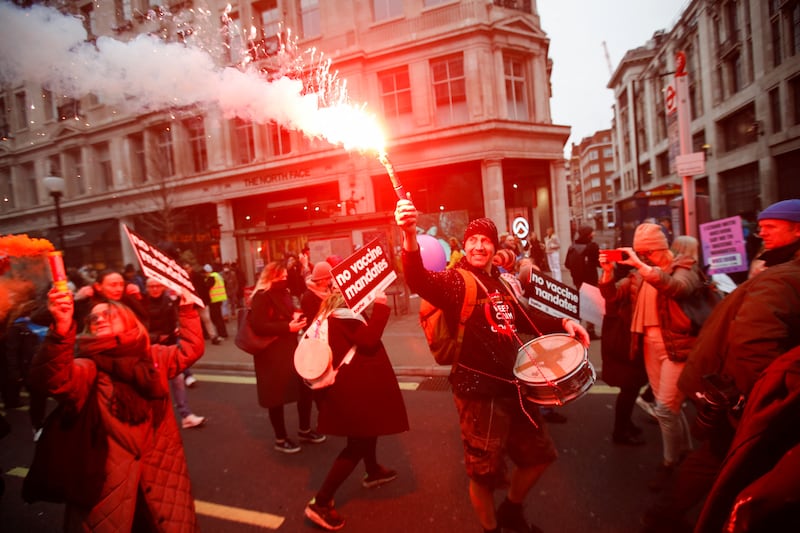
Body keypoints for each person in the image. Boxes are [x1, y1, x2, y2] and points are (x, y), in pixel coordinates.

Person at [395, 198, 589, 533]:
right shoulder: (456, 282)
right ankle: (492, 530)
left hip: (515, 389)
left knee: (540, 456)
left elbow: (526, 317)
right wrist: (410, 234)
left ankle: (512, 510)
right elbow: (418, 279)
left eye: (486, 240)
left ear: (494, 247)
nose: (479, 245)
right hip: (478, 396)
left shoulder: (502, 283)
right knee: (483, 476)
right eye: (473, 240)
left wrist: (563, 323)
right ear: (465, 246)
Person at [641, 199, 800, 532]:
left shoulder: (683, 268)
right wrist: (761, 400)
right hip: (738, 392)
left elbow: (679, 288)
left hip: (684, 353)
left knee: (675, 417)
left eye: (770, 228)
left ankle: (673, 498)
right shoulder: (782, 277)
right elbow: (754, 344)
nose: (761, 234)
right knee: (711, 450)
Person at [31, 284, 204, 531]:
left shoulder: (154, 358)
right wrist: (60, 329)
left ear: (129, 322)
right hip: (108, 493)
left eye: (108, 314)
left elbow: (190, 349)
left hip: (162, 479)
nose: (99, 319)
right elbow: (52, 379)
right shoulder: (87, 367)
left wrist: (187, 309)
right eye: (94, 318)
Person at [599, 224, 702, 492]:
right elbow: (611, 297)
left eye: (648, 252)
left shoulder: (683, 268)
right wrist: (607, 274)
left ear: (661, 247)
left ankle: (669, 464)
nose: (644, 258)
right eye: (640, 253)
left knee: (665, 409)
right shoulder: (637, 276)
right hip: (648, 346)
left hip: (676, 346)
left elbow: (678, 289)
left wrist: (642, 267)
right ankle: (687, 452)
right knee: (670, 405)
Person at [304, 289, 409, 530]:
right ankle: (320, 503)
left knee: (367, 430)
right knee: (358, 443)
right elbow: (369, 340)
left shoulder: (328, 315)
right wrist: (381, 306)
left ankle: (372, 471)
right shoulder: (344, 316)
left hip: (349, 388)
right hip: (351, 390)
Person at [250, 261, 326, 453]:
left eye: (285, 275)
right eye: (280, 275)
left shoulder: (285, 293)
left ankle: (304, 429)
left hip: (290, 348)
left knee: (304, 389)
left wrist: (294, 319)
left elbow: (284, 314)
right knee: (276, 397)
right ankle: (280, 438)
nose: (285, 278)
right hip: (271, 353)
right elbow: (258, 325)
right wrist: (287, 327)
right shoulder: (261, 296)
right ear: (270, 276)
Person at [143, 278, 205, 429]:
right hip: (151, 352)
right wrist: (157, 337)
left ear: (163, 287)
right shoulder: (141, 303)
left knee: (178, 381)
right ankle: (155, 420)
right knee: (154, 386)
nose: (155, 289)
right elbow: (139, 329)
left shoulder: (169, 300)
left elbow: (175, 318)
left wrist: (177, 328)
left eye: (157, 286)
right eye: (151, 286)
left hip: (170, 347)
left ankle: (186, 415)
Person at [567, 226, 600, 338]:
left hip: (578, 280)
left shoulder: (572, 247)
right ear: (588, 234)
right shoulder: (592, 246)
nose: (594, 234)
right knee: (591, 305)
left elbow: (567, 264)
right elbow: (598, 262)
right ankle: (590, 330)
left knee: (580, 303)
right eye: (592, 232)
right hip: (591, 279)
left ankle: (576, 327)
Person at [183, 262, 221, 345]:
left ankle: (213, 336)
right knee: (201, 320)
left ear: (191, 268)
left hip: (199, 301)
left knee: (206, 319)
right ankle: (207, 336)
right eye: (185, 269)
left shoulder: (196, 277)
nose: (187, 270)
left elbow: (203, 289)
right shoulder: (189, 277)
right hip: (193, 302)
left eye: (187, 268)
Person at [204, 264, 228, 339]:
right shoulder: (217, 275)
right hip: (220, 298)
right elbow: (225, 283)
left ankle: (221, 333)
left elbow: (207, 287)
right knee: (219, 317)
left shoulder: (211, 277)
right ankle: (223, 333)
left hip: (214, 300)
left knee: (216, 318)